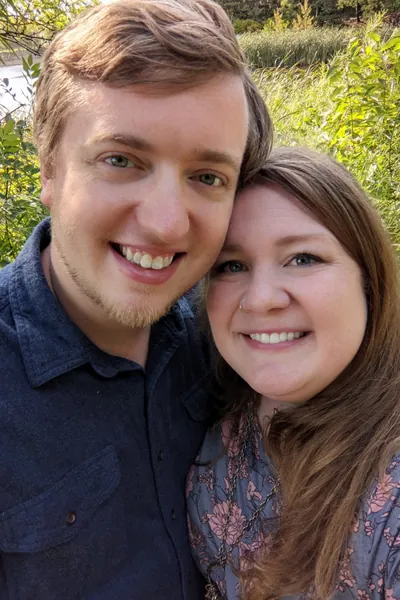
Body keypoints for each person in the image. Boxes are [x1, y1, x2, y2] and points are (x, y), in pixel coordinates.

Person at [0, 0, 273, 598]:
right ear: (47, 167)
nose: (167, 224)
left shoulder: (236, 345)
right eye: (121, 160)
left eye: (208, 176)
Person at [187, 146, 400, 600]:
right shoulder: (215, 403)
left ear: (369, 280)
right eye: (232, 266)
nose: (261, 298)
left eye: (302, 258)